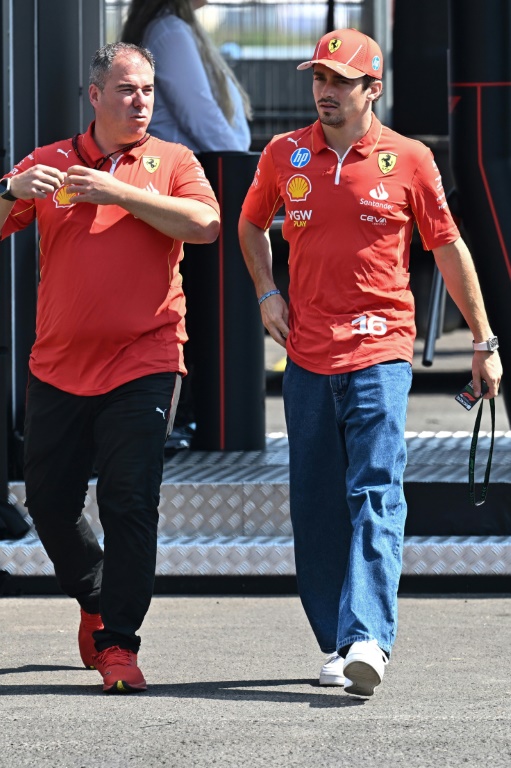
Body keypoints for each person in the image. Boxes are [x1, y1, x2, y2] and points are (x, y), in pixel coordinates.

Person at [238, 28, 503, 697]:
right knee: (316, 506)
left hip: (381, 350)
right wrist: (268, 291)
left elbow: (447, 247)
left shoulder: (409, 159)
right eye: (318, 79)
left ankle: (367, 638)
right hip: (306, 359)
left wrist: (482, 341)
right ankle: (338, 638)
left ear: (371, 89)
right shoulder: (283, 153)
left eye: (339, 81)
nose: (324, 92)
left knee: (376, 494)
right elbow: (248, 223)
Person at [0, 42, 220, 693]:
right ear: (94, 96)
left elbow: (205, 224)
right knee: (49, 502)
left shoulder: (172, 161)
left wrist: (118, 190)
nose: (141, 101)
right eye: (127, 90)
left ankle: (119, 644)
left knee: (129, 501)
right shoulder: (49, 163)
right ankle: (94, 596)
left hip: (145, 361)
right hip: (58, 366)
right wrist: (11, 188)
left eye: (148, 90)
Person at [121, 0, 252, 152]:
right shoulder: (170, 31)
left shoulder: (168, 28)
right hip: (188, 167)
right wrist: (237, 163)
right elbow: (200, 115)